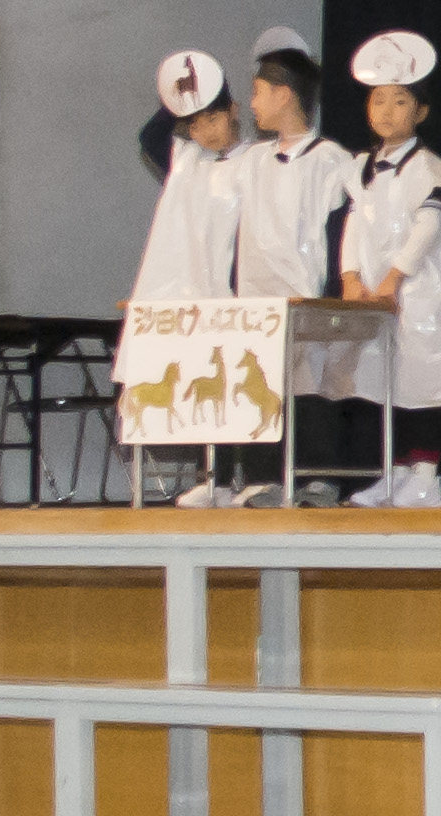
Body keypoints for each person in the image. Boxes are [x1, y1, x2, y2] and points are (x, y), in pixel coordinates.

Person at [335, 29, 441, 507]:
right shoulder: (361, 168)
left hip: (422, 297)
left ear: (420, 112)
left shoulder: (430, 170)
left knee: (424, 384)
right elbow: (355, 224)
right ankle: (396, 474)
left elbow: (426, 227)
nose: (386, 110)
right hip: (378, 297)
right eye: (378, 99)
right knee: (389, 385)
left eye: (400, 101)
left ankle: (426, 477)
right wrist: (351, 278)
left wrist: (392, 280)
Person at [227, 32, 364, 505]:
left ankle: (321, 477)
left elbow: (353, 222)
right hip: (256, 299)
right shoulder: (250, 160)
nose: (251, 104)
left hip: (306, 294)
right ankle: (262, 477)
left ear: (284, 94)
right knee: (260, 384)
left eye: (258, 91)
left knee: (312, 384)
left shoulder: (331, 160)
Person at [131, 50, 242, 506]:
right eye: (194, 124)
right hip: (189, 290)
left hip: (233, 288)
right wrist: (184, 93)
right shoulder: (184, 160)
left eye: (212, 118)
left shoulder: (254, 161)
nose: (205, 132)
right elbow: (150, 136)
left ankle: (241, 476)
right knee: (199, 386)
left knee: (232, 385)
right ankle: (211, 477)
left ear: (234, 112)